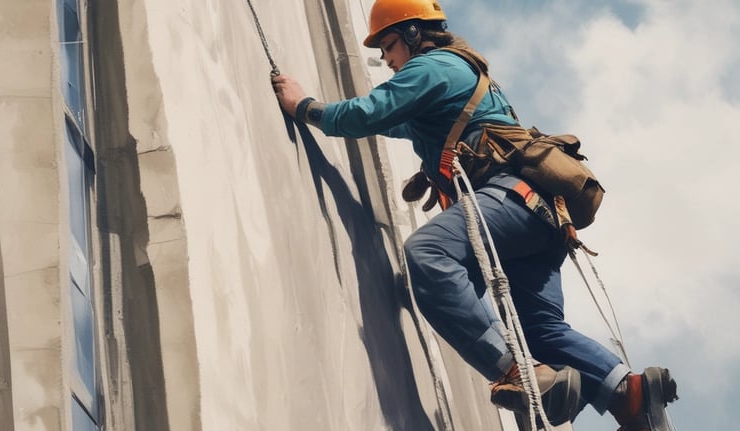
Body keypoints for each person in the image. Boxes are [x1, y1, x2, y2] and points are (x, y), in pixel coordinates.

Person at [272, 0, 677, 428]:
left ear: (413, 35)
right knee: (538, 330)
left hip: (511, 201)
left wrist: (305, 107)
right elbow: (393, 121)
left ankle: (518, 373)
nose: (386, 60)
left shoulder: (432, 68)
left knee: (428, 253)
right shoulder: (452, 76)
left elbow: (367, 114)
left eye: (388, 46)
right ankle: (628, 394)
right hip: (539, 218)